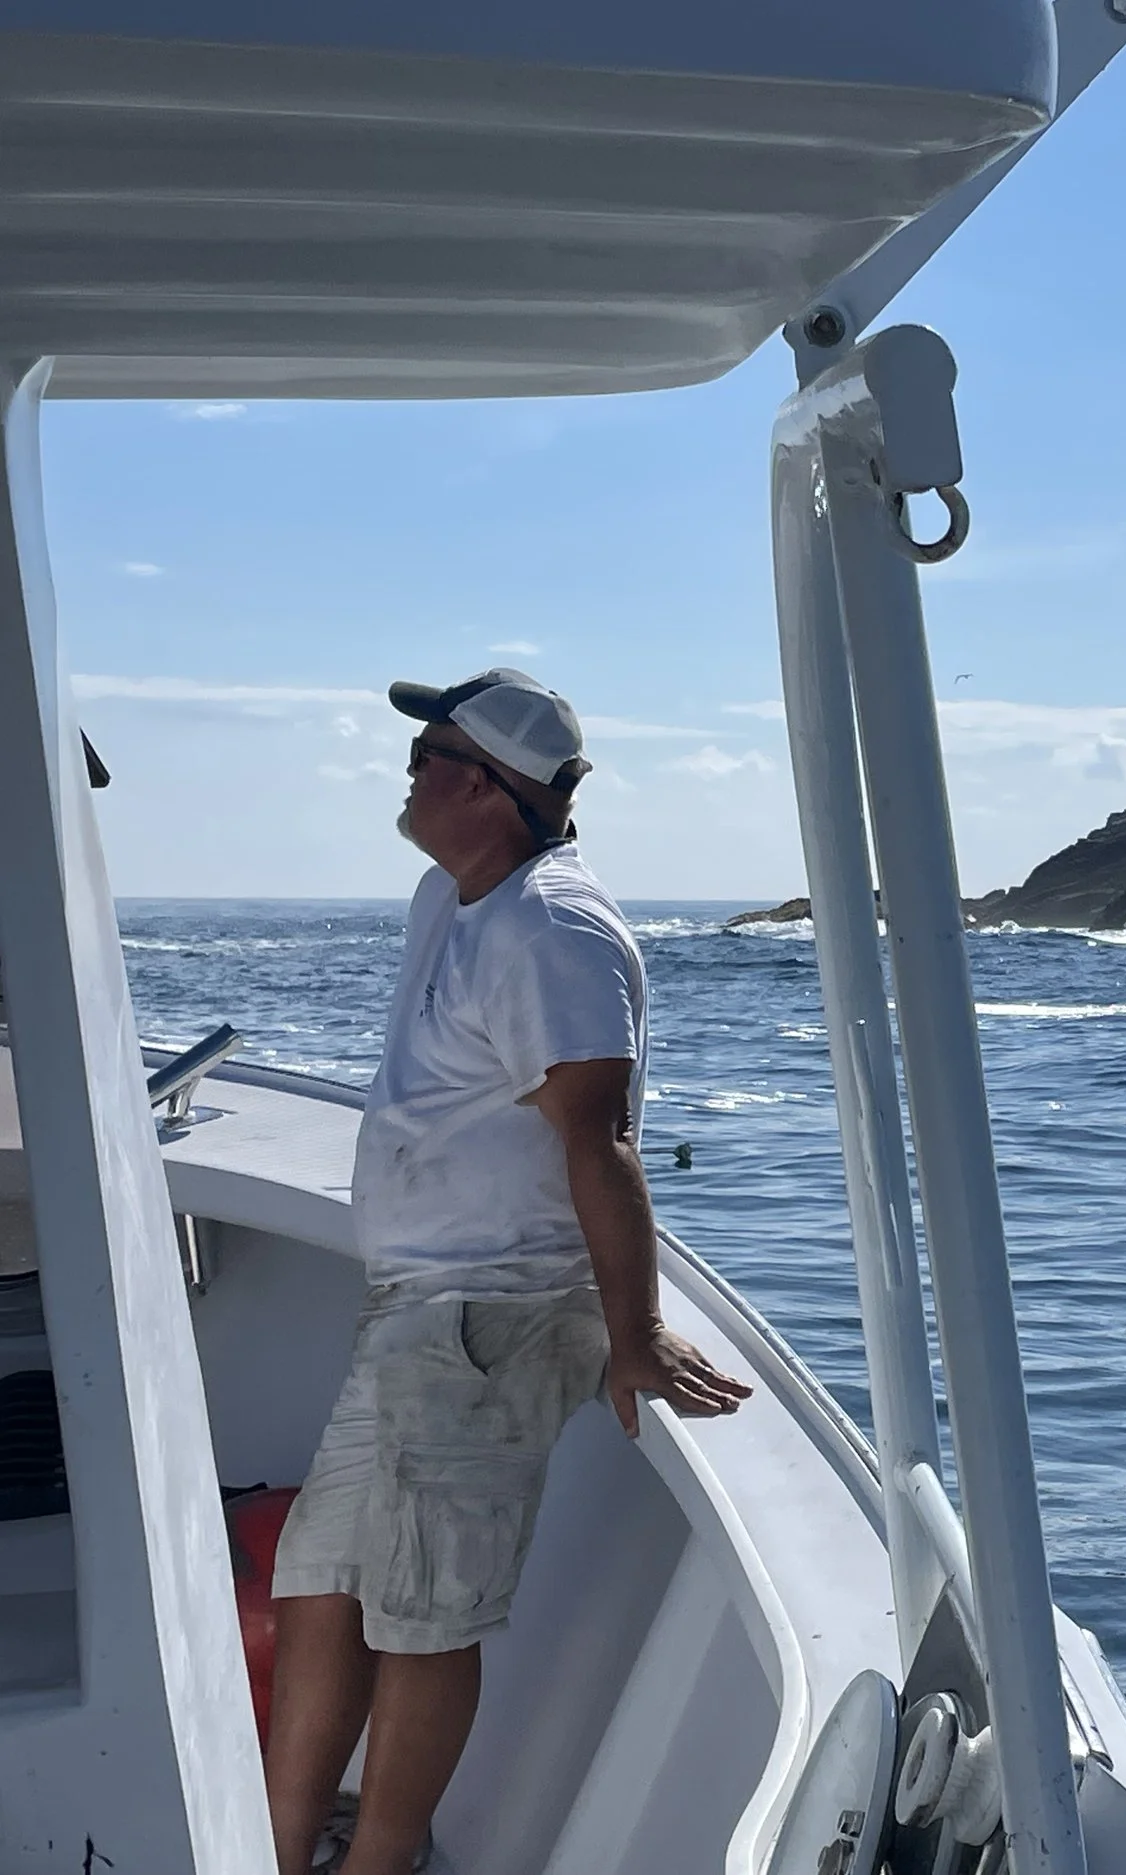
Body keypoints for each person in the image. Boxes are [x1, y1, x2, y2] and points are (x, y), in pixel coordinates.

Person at [262, 668, 753, 1875]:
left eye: (431, 754)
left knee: (426, 1625)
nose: (410, 771)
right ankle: (271, 1849)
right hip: (414, 1312)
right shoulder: (455, 894)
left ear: (485, 785)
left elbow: (600, 1139)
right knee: (320, 1585)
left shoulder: (555, 931)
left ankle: (381, 1860)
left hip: (491, 1319)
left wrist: (631, 1332)